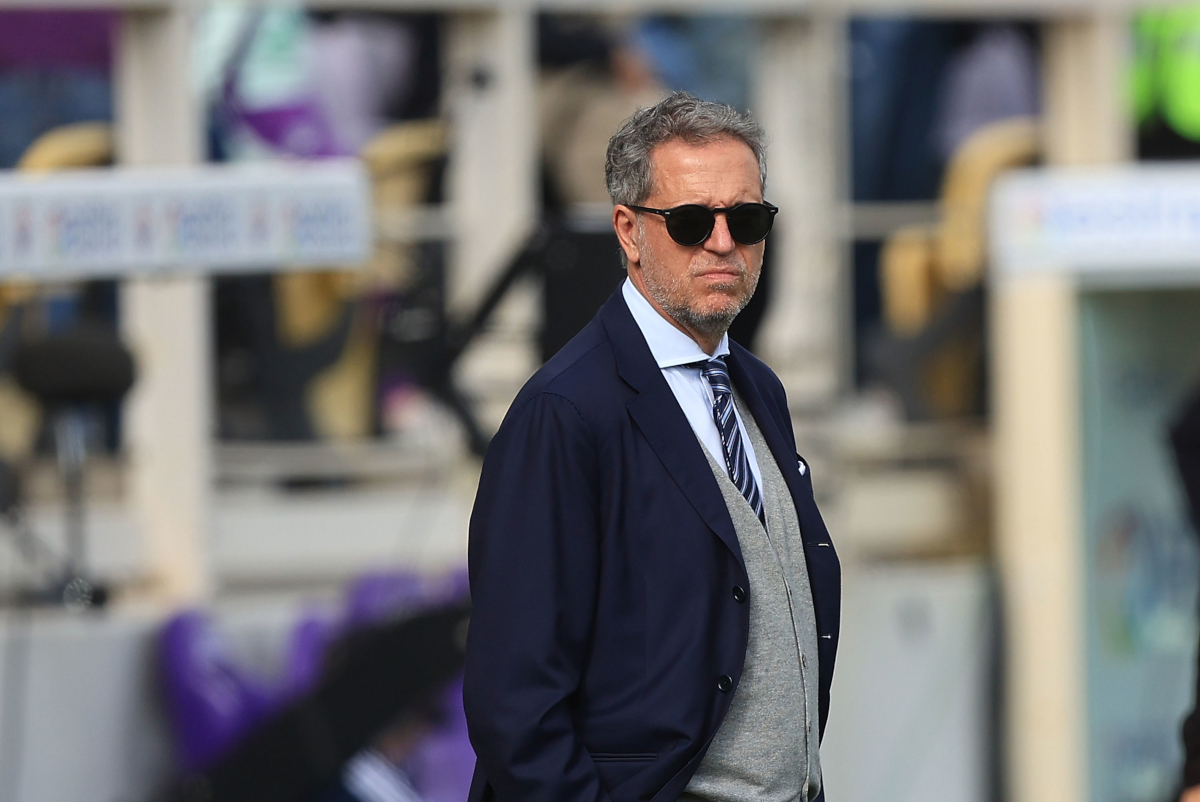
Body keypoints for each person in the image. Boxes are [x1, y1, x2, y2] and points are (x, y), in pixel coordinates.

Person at [463, 92, 841, 802]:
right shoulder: (564, 414)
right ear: (629, 232)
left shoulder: (759, 389)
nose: (724, 242)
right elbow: (515, 700)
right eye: (693, 222)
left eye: (748, 218)